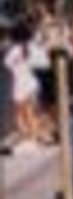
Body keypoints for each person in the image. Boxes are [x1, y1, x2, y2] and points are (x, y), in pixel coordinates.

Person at [3, 21, 45, 150]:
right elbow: (41, 63)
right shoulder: (31, 48)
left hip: (20, 84)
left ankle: (28, 137)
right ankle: (34, 138)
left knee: (19, 115)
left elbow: (7, 64)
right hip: (31, 82)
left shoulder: (14, 50)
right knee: (31, 112)